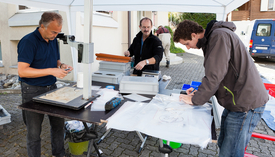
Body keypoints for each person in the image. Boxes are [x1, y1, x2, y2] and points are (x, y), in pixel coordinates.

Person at [174, 20, 268, 157]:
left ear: (194, 35)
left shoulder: (218, 36)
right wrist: (197, 91)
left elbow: (214, 76)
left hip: (246, 103)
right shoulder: (214, 38)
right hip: (237, 101)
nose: (188, 48)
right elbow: (219, 73)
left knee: (230, 152)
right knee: (223, 143)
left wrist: (195, 100)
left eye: (187, 44)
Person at [17, 11, 73, 157]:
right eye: (54, 31)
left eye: (58, 32)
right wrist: (51, 71)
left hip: (52, 88)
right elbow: (22, 71)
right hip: (32, 91)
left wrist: (61, 66)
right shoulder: (28, 41)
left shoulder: (53, 39)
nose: (56, 35)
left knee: (58, 126)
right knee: (34, 133)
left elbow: (56, 62)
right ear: (42, 26)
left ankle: (58, 154)